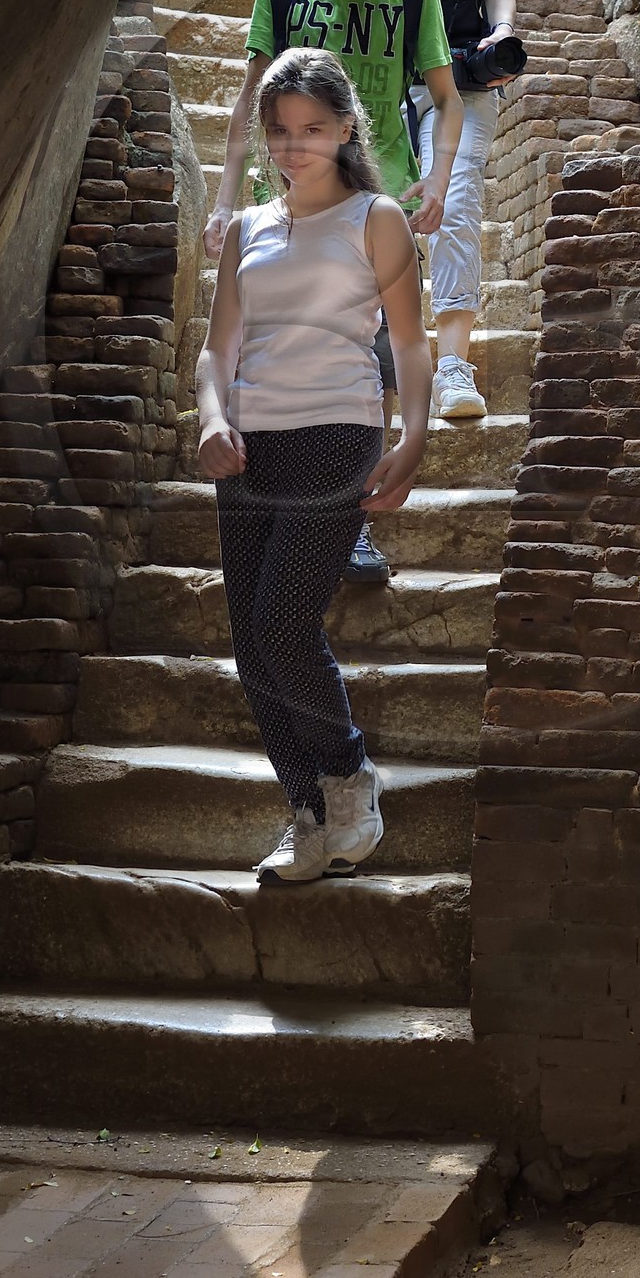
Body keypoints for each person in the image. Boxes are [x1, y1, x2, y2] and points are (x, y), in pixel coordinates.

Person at [194, 49, 432, 884]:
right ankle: (308, 815)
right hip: (249, 445)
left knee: (283, 627)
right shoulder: (251, 231)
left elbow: (408, 341)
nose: (294, 147)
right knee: (250, 648)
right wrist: (213, 417)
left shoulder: (376, 218)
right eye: (280, 132)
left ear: (343, 131)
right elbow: (216, 350)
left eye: (313, 130)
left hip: (338, 434)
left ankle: (348, 775)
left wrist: (413, 439)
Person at [203, 0, 462, 585]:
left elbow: (446, 99)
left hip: (380, 201)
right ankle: (269, 500)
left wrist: (440, 179)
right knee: (267, 346)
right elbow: (252, 102)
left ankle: (345, 520)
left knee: (372, 352)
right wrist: (227, 200)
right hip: (282, 202)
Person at [379, 0, 518, 422]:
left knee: (456, 203)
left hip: (463, 77)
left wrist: (503, 30)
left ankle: (454, 368)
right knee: (393, 217)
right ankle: (385, 362)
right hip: (382, 79)